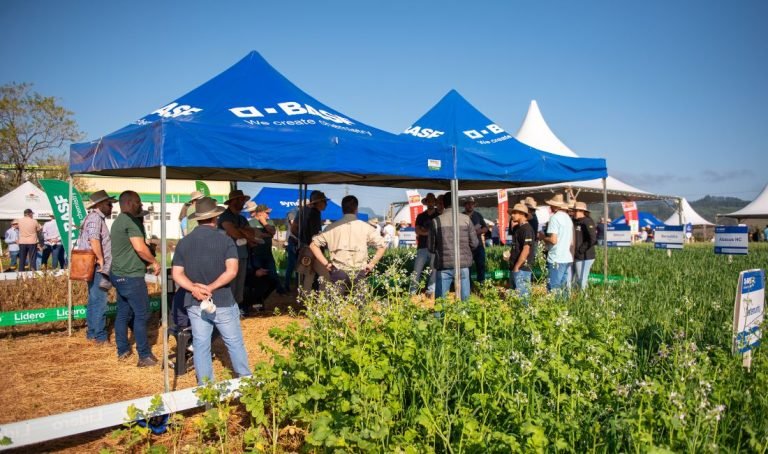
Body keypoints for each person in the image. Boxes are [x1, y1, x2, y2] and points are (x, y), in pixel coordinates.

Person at [171, 197, 251, 384]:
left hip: (195, 300)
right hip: (222, 299)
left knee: (201, 344)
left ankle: (205, 387)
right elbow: (232, 271)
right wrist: (211, 287)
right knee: (234, 343)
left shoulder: (184, 242)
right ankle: (246, 382)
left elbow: (177, 274)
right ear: (215, 218)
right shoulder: (225, 240)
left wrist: (194, 288)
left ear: (198, 219)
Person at [110, 191, 161, 367]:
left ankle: (123, 350)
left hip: (118, 274)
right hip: (131, 276)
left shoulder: (118, 221)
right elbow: (139, 248)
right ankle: (144, 355)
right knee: (142, 313)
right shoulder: (130, 222)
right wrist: (154, 261)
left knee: (123, 313)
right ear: (130, 203)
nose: (141, 205)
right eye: (138, 202)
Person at [309, 195, 386, 294]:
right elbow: (382, 246)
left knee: (336, 306)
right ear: (356, 209)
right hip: (359, 271)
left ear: (342, 209)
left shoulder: (331, 227)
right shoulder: (366, 227)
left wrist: (326, 264)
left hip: (338, 270)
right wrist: (371, 264)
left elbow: (313, 245)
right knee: (361, 306)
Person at [78, 190, 117, 343]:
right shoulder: (95, 218)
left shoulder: (94, 217)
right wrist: (101, 259)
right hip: (96, 265)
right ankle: (100, 336)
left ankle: (92, 333)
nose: (111, 207)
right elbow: (94, 239)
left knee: (94, 299)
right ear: (100, 204)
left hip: (93, 264)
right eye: (109, 204)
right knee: (100, 300)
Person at [429, 191, 479, 301]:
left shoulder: (436, 221)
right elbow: (475, 243)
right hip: (463, 264)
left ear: (443, 203)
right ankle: (464, 317)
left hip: (443, 264)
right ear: (456, 202)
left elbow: (431, 247)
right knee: (465, 300)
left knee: (441, 302)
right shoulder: (466, 219)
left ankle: (440, 318)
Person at [217, 189, 258, 314]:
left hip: (242, 254)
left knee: (240, 284)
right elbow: (234, 232)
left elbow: (251, 232)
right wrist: (243, 233)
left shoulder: (241, 218)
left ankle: (236, 309)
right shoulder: (225, 216)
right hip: (229, 256)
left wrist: (241, 232)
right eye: (240, 200)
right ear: (232, 201)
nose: (243, 202)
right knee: (231, 284)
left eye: (243, 200)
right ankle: (228, 310)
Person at [539, 194, 573, 295]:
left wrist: (543, 237)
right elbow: (571, 241)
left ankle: (555, 308)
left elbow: (553, 240)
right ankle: (565, 308)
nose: (549, 207)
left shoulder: (554, 218)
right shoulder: (568, 218)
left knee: (553, 287)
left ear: (554, 206)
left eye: (550, 205)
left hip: (556, 257)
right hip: (566, 257)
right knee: (563, 287)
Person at [298, 190, 329, 291]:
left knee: (309, 275)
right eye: (324, 201)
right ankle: (321, 299)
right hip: (313, 248)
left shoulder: (304, 210)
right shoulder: (315, 213)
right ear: (319, 202)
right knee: (326, 275)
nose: (326, 204)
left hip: (305, 247)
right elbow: (315, 235)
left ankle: (305, 299)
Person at [410, 193, 439, 295]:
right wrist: (430, 232)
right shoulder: (421, 216)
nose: (430, 202)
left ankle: (431, 290)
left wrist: (424, 231)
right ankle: (412, 291)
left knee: (433, 270)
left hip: (435, 247)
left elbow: (437, 232)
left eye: (432, 201)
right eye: (429, 201)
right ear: (426, 202)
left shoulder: (439, 215)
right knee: (416, 269)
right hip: (422, 247)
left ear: (435, 202)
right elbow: (417, 231)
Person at [508, 203, 535, 299]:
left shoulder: (526, 229)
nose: (512, 215)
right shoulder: (518, 228)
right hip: (516, 266)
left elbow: (526, 250)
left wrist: (517, 267)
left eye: (514, 213)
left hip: (522, 268)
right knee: (515, 296)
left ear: (522, 214)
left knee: (522, 296)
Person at [463, 197, 488, 286]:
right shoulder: (461, 216)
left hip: (479, 245)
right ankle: (468, 286)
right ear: (465, 205)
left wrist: (476, 232)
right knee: (466, 267)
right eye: (468, 204)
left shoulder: (478, 215)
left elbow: (485, 228)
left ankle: (481, 284)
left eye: (472, 204)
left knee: (481, 265)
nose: (470, 205)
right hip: (466, 246)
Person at [572, 202, 597, 291]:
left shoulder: (587, 222)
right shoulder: (575, 221)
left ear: (582, 211)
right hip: (578, 255)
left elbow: (593, 239)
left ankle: (584, 299)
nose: (574, 213)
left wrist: (580, 250)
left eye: (576, 211)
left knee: (581, 278)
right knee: (578, 278)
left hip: (586, 255)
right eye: (574, 210)